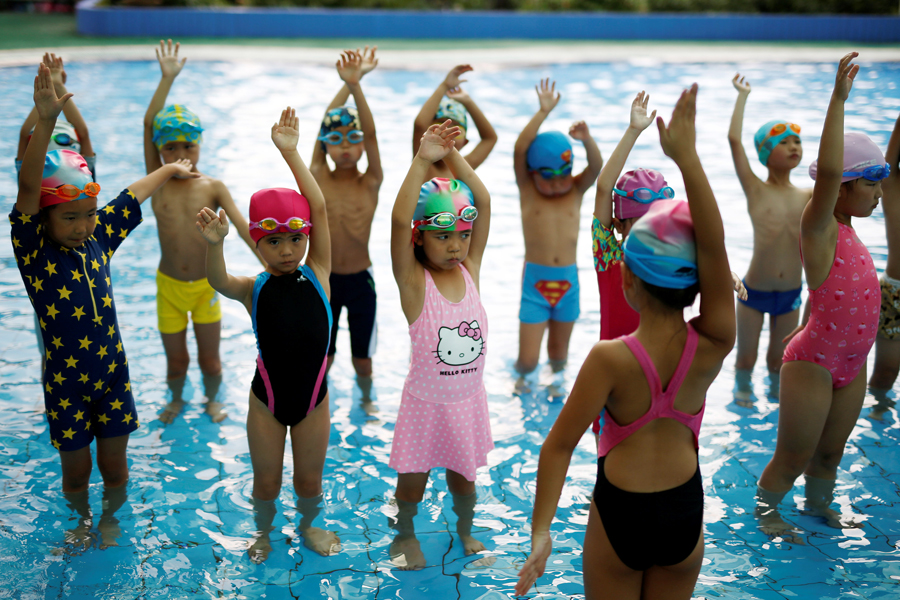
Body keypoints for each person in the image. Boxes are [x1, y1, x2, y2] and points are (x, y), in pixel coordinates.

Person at [515, 83, 735, 600]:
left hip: (621, 497)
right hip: (686, 510)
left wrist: (541, 533)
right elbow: (715, 242)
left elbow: (558, 446)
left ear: (630, 280)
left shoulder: (607, 357)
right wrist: (684, 155)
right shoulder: (712, 343)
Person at [11, 63, 197, 548]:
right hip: (67, 384)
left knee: (116, 468)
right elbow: (28, 191)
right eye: (70, 218)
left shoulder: (99, 240)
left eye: (89, 216)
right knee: (76, 474)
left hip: (112, 373)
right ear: (44, 220)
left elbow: (130, 196)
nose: (83, 226)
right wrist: (47, 120)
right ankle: (79, 523)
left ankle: (111, 520)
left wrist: (170, 168)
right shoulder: (36, 254)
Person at [197, 107, 339, 563]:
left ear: (307, 239)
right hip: (267, 401)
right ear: (257, 243)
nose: (286, 250)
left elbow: (317, 206)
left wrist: (292, 154)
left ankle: (309, 526)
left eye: (295, 239)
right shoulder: (253, 288)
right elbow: (218, 281)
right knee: (266, 484)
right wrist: (215, 245)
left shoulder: (318, 271)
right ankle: (264, 533)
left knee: (309, 484)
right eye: (273, 242)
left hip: (314, 399)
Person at [756, 53, 887, 540]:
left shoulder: (848, 233)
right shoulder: (821, 227)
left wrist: (808, 314)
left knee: (830, 455)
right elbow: (828, 173)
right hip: (814, 362)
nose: (879, 195)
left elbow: (830, 289)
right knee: (792, 455)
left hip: (853, 361)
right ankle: (766, 510)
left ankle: (817, 507)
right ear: (844, 188)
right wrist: (837, 100)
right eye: (871, 185)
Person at [387, 120, 493, 570]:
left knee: (464, 483)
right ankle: (405, 533)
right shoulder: (415, 284)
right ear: (419, 237)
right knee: (412, 486)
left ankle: (465, 530)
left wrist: (452, 156)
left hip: (467, 403)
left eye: (463, 234)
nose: (456, 246)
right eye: (443, 235)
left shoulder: (471, 270)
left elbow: (482, 200)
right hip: (426, 406)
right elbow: (396, 219)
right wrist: (421, 161)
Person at [143, 39, 262, 424]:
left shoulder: (212, 187)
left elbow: (244, 230)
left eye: (189, 145)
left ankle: (213, 400)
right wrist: (166, 79)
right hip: (169, 287)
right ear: (159, 150)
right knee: (176, 360)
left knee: (210, 359)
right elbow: (148, 125)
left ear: (200, 145)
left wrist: (273, 267)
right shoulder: (157, 181)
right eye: (171, 146)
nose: (181, 153)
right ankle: (176, 400)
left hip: (205, 287)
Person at [728, 73, 812, 399]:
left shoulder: (807, 195)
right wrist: (742, 96)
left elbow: (835, 178)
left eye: (798, 141)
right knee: (745, 360)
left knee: (779, 363)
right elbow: (734, 141)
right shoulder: (755, 189)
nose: (794, 146)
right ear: (765, 153)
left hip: (791, 292)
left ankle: (777, 407)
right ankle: (743, 400)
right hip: (753, 293)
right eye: (784, 142)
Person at [513, 78, 603, 382]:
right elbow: (520, 148)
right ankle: (522, 383)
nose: (556, 184)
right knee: (527, 362)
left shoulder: (575, 190)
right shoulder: (528, 190)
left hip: (568, 283)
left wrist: (587, 140)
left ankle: (555, 391)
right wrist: (542, 112)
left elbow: (595, 168)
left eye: (562, 176)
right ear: (532, 173)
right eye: (548, 178)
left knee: (559, 357)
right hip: (535, 285)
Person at [16, 52, 95, 375]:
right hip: (49, 286)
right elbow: (25, 137)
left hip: (85, 284)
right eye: (47, 140)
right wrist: (44, 111)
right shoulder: (34, 183)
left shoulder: (83, 177)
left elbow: (82, 132)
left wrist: (61, 90)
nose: (56, 145)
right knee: (51, 350)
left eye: (64, 140)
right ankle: (51, 392)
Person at [311, 48, 383, 405]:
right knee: (323, 356)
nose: (345, 147)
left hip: (360, 280)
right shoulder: (318, 176)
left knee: (363, 359)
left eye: (351, 140)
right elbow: (326, 122)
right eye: (335, 140)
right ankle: (319, 404)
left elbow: (370, 132)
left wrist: (357, 88)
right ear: (325, 145)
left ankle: (366, 402)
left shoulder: (370, 181)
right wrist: (346, 86)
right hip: (321, 280)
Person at [412, 64, 497, 181]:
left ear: (465, 142)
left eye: (458, 130)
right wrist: (444, 86)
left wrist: (468, 102)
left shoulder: (465, 166)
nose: (448, 132)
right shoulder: (423, 162)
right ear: (426, 136)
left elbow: (490, 139)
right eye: (441, 125)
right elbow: (420, 125)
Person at [868, 113, 900, 401]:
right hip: (896, 292)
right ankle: (878, 412)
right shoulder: (892, 187)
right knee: (885, 372)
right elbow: (890, 162)